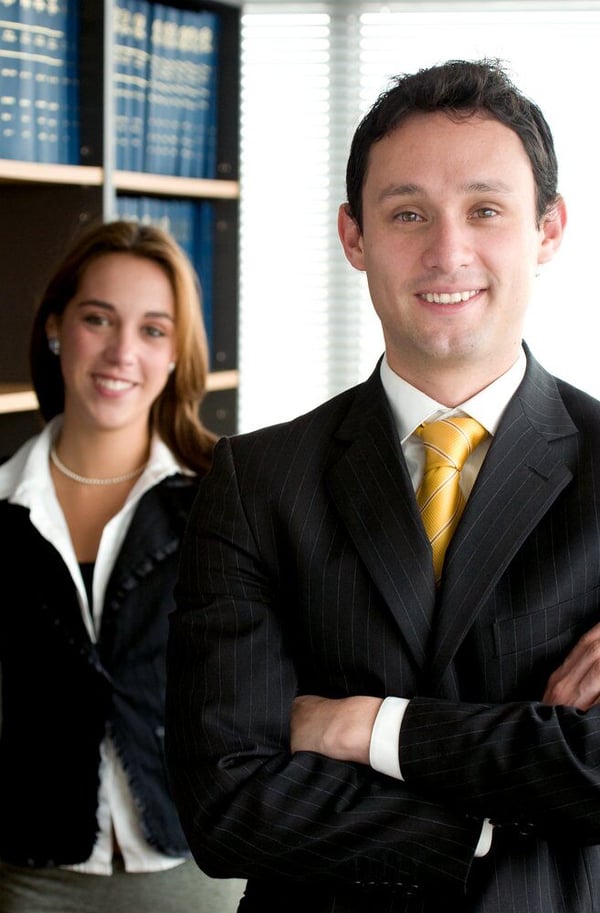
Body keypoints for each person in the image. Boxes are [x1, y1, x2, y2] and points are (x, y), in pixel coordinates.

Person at [165, 58, 600, 913]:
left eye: (485, 209)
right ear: (354, 236)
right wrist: (504, 813)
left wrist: (364, 726)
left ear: (548, 229)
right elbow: (224, 804)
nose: (447, 251)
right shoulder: (258, 482)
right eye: (407, 213)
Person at [0, 220, 245, 913]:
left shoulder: (227, 502)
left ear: (176, 354)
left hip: (195, 869)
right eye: (98, 319)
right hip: (30, 873)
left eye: (152, 330)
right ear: (55, 328)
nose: (121, 352)